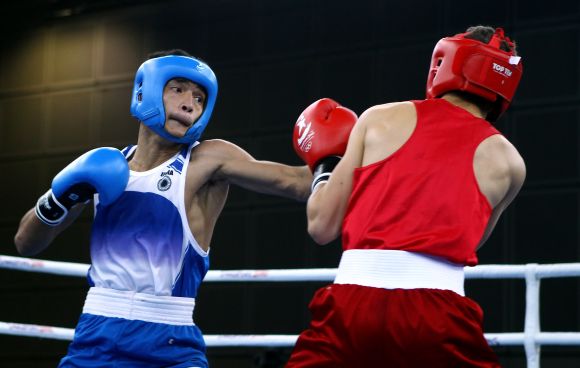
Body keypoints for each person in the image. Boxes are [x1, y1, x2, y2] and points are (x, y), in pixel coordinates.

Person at [13, 49, 312, 368]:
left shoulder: (207, 161)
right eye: (178, 88)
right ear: (147, 89)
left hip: (170, 344)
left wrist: (345, 155)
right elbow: (26, 242)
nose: (189, 104)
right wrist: (62, 197)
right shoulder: (103, 168)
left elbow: (294, 182)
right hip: (94, 338)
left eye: (199, 98)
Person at [286, 26, 526, 367]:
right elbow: (469, 242)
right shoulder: (511, 163)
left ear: (446, 62)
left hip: (353, 304)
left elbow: (321, 226)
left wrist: (326, 166)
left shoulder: (379, 119)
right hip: (440, 315)